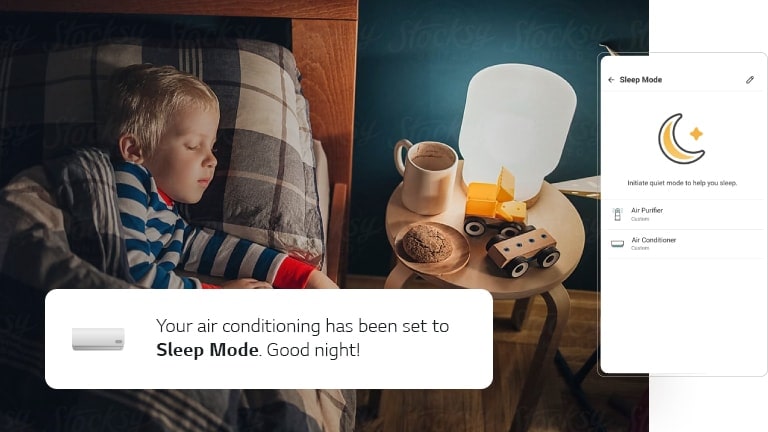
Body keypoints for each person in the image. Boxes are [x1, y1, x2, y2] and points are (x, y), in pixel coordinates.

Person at [102, 64, 337, 289]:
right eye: (194, 146)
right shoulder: (126, 180)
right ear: (134, 150)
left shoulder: (169, 219)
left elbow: (217, 250)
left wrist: (306, 278)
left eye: (212, 148)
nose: (212, 160)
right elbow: (130, 273)